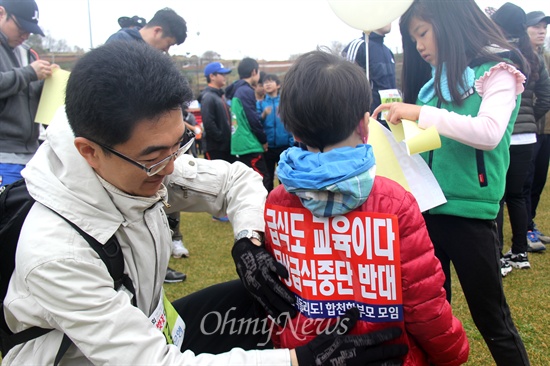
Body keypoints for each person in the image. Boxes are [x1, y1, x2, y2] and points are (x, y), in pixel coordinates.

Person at [2, 40, 407, 366]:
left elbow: (238, 178)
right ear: (89, 151)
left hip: (153, 325)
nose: (172, 166)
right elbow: (152, 362)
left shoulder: (136, 160)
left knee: (265, 292)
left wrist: (248, 242)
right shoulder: (57, 253)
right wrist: (298, 360)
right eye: (155, 157)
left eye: (180, 143)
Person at [263, 50, 469, 366]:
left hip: (306, 350)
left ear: (294, 132)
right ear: (364, 124)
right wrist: (453, 353)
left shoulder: (277, 201)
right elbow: (423, 301)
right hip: (385, 353)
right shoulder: (394, 202)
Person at [373, 0, 530, 364]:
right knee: (431, 316)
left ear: (451, 23)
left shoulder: (498, 72)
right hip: (426, 213)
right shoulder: (431, 87)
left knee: (490, 316)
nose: (420, 47)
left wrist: (422, 114)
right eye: (413, 41)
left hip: (471, 214)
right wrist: (394, 132)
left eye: (423, 34)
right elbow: (429, 147)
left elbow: (489, 133)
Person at [105, 7, 188, 282]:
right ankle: (140, 271)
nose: (166, 52)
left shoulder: (138, 50)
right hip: (129, 153)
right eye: (168, 44)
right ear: (157, 31)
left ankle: (153, 268)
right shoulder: (122, 48)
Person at [491, 3, 550, 272]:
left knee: (499, 198)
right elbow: (546, 94)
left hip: (504, 135)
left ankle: (497, 257)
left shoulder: (497, 54)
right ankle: (520, 252)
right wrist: (529, 119)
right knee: (518, 196)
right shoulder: (531, 56)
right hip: (527, 137)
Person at [0, 0, 54, 187]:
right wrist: (29, 73)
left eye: (30, 30)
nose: (25, 34)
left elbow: (26, 94)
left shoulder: (27, 53)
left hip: (31, 155)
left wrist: (48, 83)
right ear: (1, 13)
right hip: (4, 155)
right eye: (21, 27)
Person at [524, 10, 550, 246]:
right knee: (526, 182)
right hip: (529, 132)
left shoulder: (545, 57)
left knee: (539, 179)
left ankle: (530, 223)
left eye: (544, 27)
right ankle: (525, 230)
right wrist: (532, 118)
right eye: (536, 27)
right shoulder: (520, 57)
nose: (542, 31)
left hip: (546, 131)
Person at [226, 57, 270, 190]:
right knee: (262, 180)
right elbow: (253, 118)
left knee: (248, 183)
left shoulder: (237, 89)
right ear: (254, 72)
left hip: (240, 143)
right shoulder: (246, 91)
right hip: (249, 144)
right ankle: (261, 211)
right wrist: (263, 140)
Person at [341, 24, 396, 126]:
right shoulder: (359, 47)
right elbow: (343, 87)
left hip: (390, 122)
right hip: (369, 124)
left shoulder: (388, 52)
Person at [257, 73, 293, 192]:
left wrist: (291, 143)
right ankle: (267, 204)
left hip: (284, 146)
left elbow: (291, 123)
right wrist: (264, 114)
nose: (267, 84)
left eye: (270, 81)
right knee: (267, 178)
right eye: (265, 82)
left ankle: (285, 204)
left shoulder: (285, 103)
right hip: (267, 147)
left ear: (278, 85)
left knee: (284, 178)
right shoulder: (261, 104)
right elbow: (256, 123)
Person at [198, 61, 235, 163]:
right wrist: (221, 138)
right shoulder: (208, 97)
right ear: (212, 76)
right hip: (215, 148)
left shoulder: (220, 96)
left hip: (225, 148)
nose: (224, 77)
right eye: (221, 74)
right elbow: (208, 122)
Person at [106, 7, 186, 53]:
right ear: (157, 31)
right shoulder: (120, 42)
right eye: (168, 44)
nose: (166, 50)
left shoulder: (153, 55)